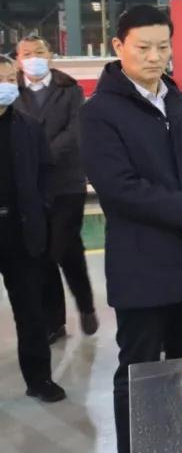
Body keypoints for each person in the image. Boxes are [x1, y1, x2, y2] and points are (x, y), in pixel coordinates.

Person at [80, 4, 182, 453]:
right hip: (142, 266)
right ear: (118, 46)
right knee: (140, 369)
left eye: (163, 46)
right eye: (143, 47)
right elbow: (119, 188)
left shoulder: (179, 102)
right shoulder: (100, 113)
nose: (154, 56)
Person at [13, 35, 97, 341]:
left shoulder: (70, 89)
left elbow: (75, 131)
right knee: (41, 252)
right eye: (26, 53)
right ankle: (55, 321)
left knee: (62, 247)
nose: (33, 57)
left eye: (39, 51)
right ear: (18, 59)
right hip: (28, 185)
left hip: (66, 182)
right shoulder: (12, 90)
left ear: (50, 55)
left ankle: (85, 305)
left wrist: (40, 154)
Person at [0, 56, 66, 404]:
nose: (7, 85)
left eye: (11, 78)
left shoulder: (28, 126)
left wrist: (42, 210)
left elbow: (46, 173)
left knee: (31, 312)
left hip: (21, 233)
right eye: (0, 78)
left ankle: (39, 379)